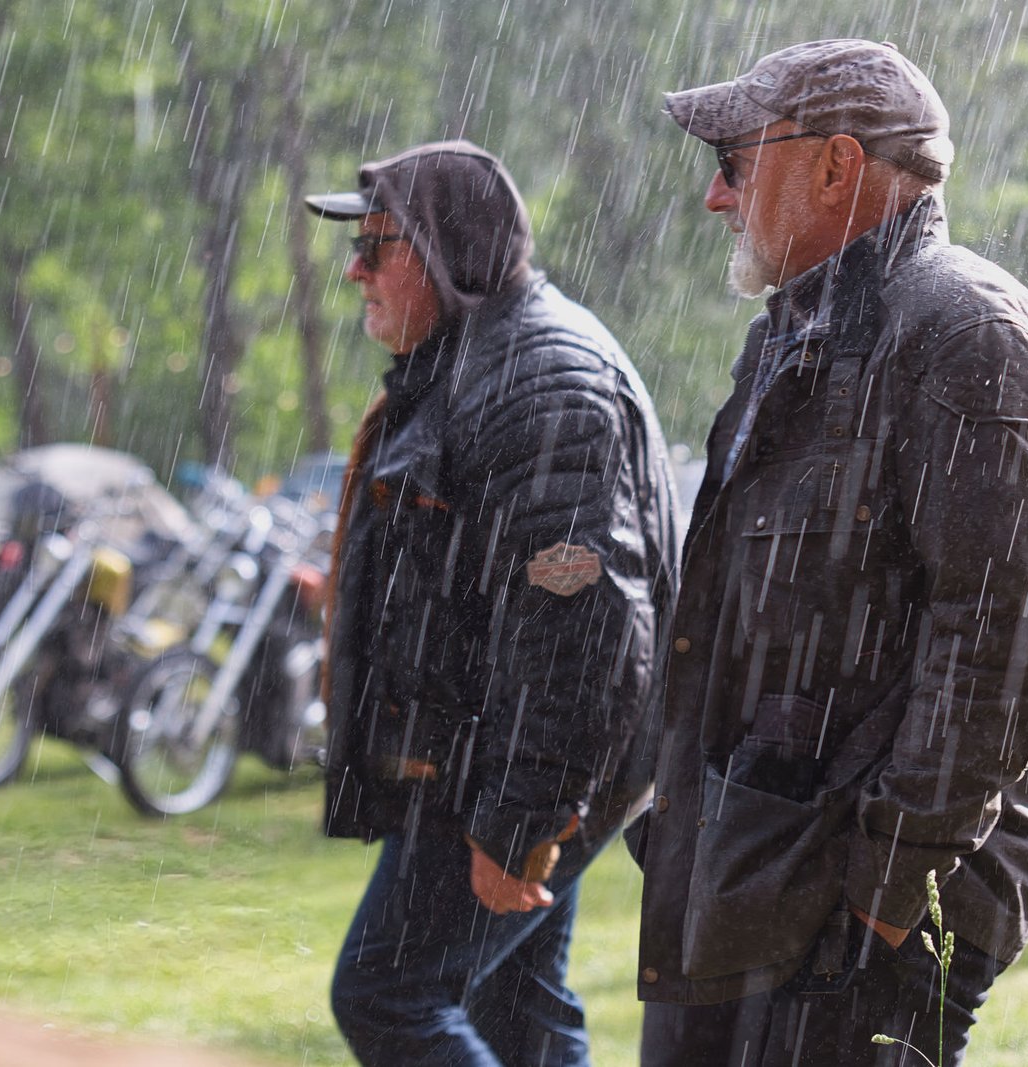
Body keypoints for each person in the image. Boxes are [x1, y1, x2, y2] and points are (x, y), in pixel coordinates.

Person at [635, 40, 1028, 1066]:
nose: (716, 196)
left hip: (865, 907)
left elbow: (1012, 633)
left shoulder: (962, 331)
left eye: (735, 163)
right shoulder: (798, 332)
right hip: (773, 868)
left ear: (838, 165)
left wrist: (892, 880)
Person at [304, 140, 678, 1066]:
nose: (355, 271)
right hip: (496, 755)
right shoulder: (475, 357)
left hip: (505, 765)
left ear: (446, 256)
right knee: (517, 1004)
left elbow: (581, 636)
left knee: (386, 993)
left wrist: (517, 823)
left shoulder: (542, 381)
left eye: (377, 246)